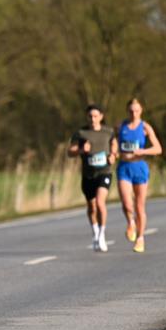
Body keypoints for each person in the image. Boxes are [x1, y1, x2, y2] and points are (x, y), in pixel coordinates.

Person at [68, 104, 118, 252]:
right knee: (92, 206)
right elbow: (70, 152)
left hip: (104, 172)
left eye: (95, 116)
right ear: (87, 117)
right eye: (90, 116)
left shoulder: (108, 131)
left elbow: (114, 144)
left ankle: (102, 234)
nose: (92, 119)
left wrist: (113, 155)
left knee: (100, 202)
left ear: (101, 117)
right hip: (88, 175)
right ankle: (95, 232)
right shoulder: (81, 133)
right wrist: (81, 150)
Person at [115, 98, 162, 253]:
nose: (134, 114)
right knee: (127, 204)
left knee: (139, 206)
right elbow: (114, 143)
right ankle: (131, 222)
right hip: (124, 167)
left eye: (136, 111)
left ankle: (140, 238)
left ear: (141, 111)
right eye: (131, 111)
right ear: (127, 111)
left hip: (139, 168)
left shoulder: (145, 127)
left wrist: (143, 151)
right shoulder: (120, 126)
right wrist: (114, 152)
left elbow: (158, 149)